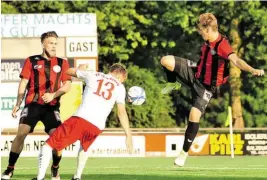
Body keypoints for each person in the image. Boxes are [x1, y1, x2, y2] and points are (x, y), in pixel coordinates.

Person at [160, 13, 265, 167]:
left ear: (208, 29)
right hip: (195, 72)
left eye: (201, 31)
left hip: (206, 87)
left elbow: (237, 61)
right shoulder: (209, 40)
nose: (200, 33)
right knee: (165, 60)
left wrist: (252, 69)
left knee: (194, 115)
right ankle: (172, 83)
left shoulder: (222, 45)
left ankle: (183, 154)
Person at [32, 63, 133, 180]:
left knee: (47, 146)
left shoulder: (93, 75)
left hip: (81, 119)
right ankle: (77, 176)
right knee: (84, 148)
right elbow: (121, 112)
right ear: (121, 76)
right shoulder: (120, 87)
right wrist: (128, 135)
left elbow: (69, 71)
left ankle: (40, 178)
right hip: (97, 127)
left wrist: (81, 69)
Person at [1, 31, 71, 180]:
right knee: (21, 133)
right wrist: (18, 103)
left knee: (58, 138)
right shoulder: (31, 61)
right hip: (32, 104)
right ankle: (9, 168)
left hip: (51, 107)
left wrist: (53, 95)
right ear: (43, 44)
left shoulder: (62, 62)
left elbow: (67, 85)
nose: (53, 46)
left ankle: (55, 168)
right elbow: (24, 83)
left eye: (55, 44)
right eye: (51, 43)